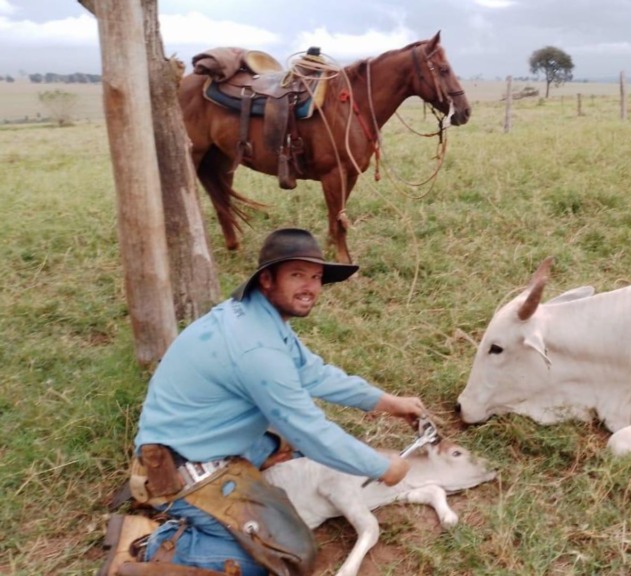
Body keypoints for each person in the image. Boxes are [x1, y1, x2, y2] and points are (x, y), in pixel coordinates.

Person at [101, 228, 426, 576]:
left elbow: (313, 373)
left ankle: (241, 472)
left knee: (286, 443)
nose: (310, 288)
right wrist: (381, 467)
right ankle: (151, 543)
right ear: (267, 279)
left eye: (316, 277)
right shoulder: (257, 347)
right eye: (297, 275)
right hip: (182, 465)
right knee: (283, 557)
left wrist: (388, 402)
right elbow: (309, 432)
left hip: (200, 435)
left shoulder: (257, 318)